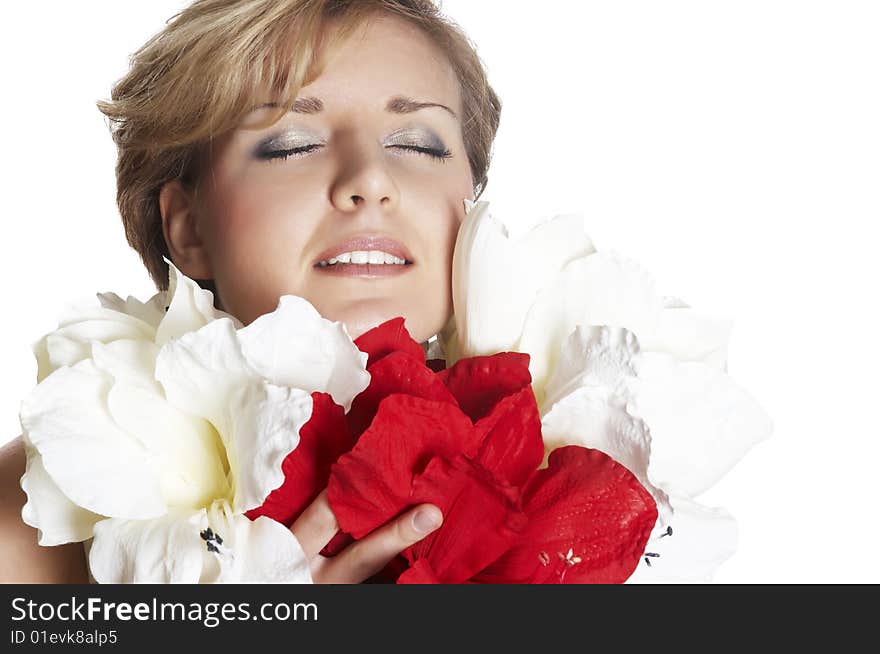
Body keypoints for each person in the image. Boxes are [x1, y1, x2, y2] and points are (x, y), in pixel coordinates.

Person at [0, 0, 501, 583]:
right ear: (187, 227)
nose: (370, 179)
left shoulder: (563, 456)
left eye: (417, 143)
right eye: (291, 145)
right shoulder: (30, 519)